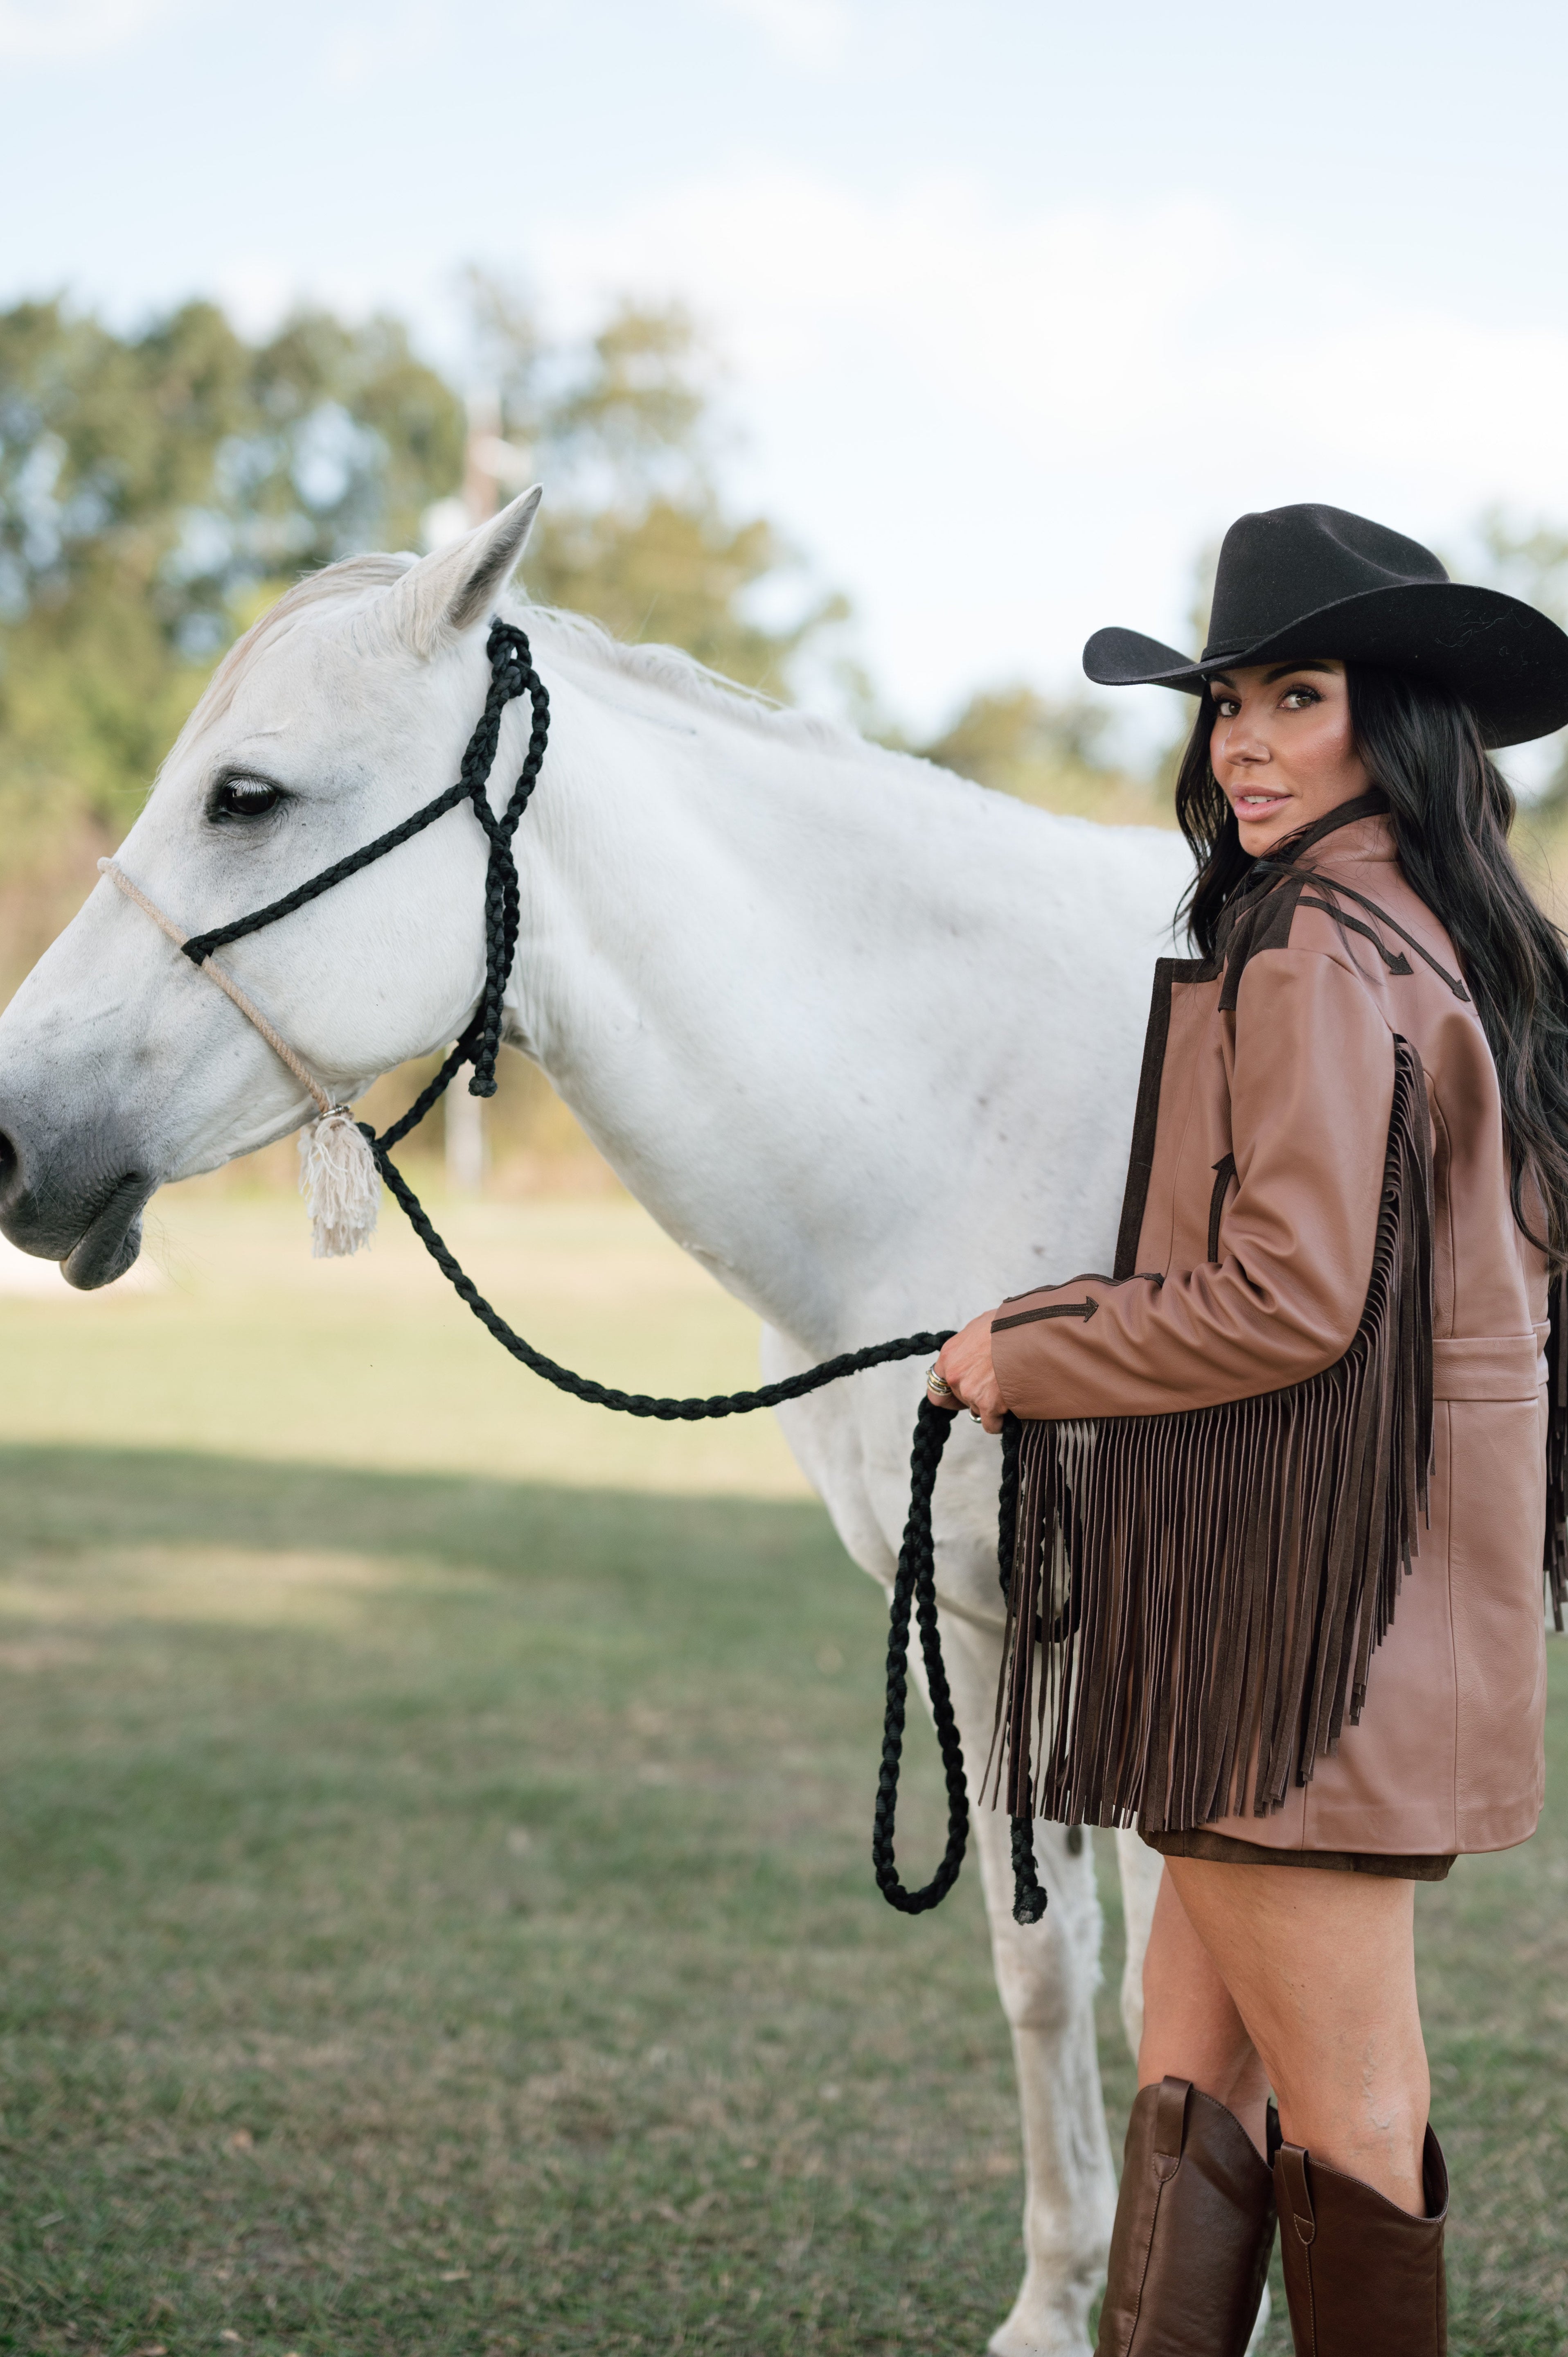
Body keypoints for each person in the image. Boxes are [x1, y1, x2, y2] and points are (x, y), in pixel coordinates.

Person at [928, 505, 1568, 2357]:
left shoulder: (1308, 950)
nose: (1247, 745)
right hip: (1354, 1598)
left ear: (1400, 721)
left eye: (1298, 697)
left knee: (1352, 2112)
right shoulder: (1451, 937)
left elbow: (1287, 1299)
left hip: (1289, 1614)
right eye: (1226, 705)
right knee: (1194, 2084)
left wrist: (1020, 1347)